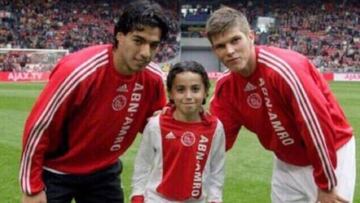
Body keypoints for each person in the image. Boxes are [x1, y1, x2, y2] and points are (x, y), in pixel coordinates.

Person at [19, 0, 170, 202]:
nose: (145, 53)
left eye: (153, 45)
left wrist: (172, 120)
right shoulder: (79, 71)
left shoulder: (153, 78)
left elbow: (155, 127)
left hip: (103, 172)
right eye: (138, 40)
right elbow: (38, 126)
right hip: (56, 171)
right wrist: (32, 188)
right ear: (120, 35)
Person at [206, 6, 356, 203]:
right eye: (221, 46)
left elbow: (317, 126)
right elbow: (218, 141)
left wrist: (326, 184)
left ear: (251, 36)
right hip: (287, 161)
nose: (230, 51)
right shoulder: (226, 88)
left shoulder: (284, 69)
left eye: (235, 40)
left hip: (330, 154)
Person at [130, 61, 225, 203]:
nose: (188, 96)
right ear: (170, 93)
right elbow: (143, 163)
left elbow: (217, 168)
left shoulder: (215, 127)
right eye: (180, 90)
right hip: (157, 199)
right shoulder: (156, 124)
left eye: (195, 89)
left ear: (205, 91)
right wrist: (137, 195)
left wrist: (215, 198)